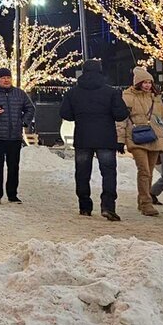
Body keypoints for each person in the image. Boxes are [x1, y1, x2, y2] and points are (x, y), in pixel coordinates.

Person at [61, 60, 130, 220]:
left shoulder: (73, 92)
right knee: (108, 173)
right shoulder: (111, 92)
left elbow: (65, 114)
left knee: (82, 173)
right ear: (100, 71)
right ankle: (108, 206)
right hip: (106, 137)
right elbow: (121, 115)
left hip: (83, 137)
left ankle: (85, 206)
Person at [117, 67, 163, 217]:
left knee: (149, 172)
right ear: (137, 83)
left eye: (149, 82)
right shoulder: (127, 97)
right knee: (144, 170)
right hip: (136, 138)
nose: (147, 85)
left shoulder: (155, 98)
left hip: (154, 138)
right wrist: (120, 140)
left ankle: (142, 200)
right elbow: (121, 119)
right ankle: (146, 203)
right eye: (144, 82)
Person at [0, 68, 35, 205]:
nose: (6, 80)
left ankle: (12, 194)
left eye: (8, 77)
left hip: (14, 136)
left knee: (13, 166)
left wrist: (23, 122)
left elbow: (30, 108)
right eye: (3, 78)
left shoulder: (20, 94)